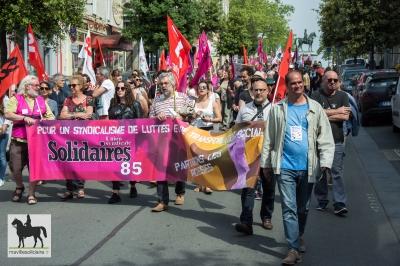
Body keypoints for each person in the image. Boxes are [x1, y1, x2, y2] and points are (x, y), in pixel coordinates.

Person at [261, 70, 334, 264]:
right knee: (288, 208)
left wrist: (326, 161)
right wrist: (266, 163)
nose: (297, 86)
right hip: (284, 166)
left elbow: (325, 138)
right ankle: (293, 249)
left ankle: (298, 234)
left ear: (304, 83)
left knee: (303, 208)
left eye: (300, 82)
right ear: (287, 86)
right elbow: (268, 139)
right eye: (293, 83)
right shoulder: (278, 109)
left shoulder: (315, 108)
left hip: (308, 167)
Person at [234, 73, 275, 236]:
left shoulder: (275, 109)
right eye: (255, 90)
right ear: (252, 91)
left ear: (268, 90)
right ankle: (246, 221)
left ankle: (266, 217)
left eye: (262, 90)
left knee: (269, 189)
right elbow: (236, 130)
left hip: (268, 157)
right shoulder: (245, 109)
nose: (258, 93)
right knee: (248, 189)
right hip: (249, 156)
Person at [5, 75, 55, 205]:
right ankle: (20, 186)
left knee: (34, 168)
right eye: (36, 85)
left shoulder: (40, 101)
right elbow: (8, 114)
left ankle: (31, 194)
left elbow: (51, 117)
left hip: (37, 141)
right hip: (19, 139)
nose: (39, 88)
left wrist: (45, 120)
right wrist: (23, 118)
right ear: (27, 86)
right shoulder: (16, 99)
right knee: (15, 168)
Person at [149, 72, 193, 212]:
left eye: (166, 83)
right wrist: (157, 116)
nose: (163, 86)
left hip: (178, 139)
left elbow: (193, 114)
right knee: (160, 169)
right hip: (161, 140)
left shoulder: (182, 97)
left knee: (179, 166)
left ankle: (180, 193)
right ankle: (163, 201)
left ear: (172, 84)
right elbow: (149, 119)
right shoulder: (157, 100)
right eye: (161, 84)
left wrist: (182, 116)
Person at [311, 71, 350, 214]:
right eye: (330, 80)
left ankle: (339, 204)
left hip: (337, 140)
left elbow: (345, 117)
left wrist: (324, 114)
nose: (332, 82)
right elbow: (314, 113)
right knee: (320, 172)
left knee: (336, 173)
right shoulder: (316, 95)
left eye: (335, 80)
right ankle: (322, 200)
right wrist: (337, 111)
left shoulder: (343, 96)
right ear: (323, 80)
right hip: (319, 140)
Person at [108, 81, 143, 204]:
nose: (120, 90)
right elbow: (109, 120)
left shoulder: (135, 104)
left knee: (129, 164)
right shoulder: (113, 103)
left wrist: (138, 141)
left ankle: (133, 186)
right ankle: (115, 192)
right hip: (115, 139)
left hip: (130, 139)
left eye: (122, 88)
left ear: (127, 90)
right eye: (118, 88)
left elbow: (139, 124)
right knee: (114, 165)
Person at [59, 75, 94, 200]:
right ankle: (69, 188)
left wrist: (70, 114)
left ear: (81, 86)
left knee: (80, 161)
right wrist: (77, 114)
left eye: (74, 85)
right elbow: (62, 116)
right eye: (70, 85)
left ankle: (80, 187)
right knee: (68, 162)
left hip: (83, 135)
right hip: (68, 136)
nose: (71, 88)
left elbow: (88, 115)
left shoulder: (88, 99)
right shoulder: (68, 100)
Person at [190, 80, 222, 193]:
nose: (202, 89)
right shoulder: (192, 102)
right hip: (195, 131)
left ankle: (207, 184)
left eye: (204, 87)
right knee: (198, 159)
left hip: (208, 131)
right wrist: (194, 115)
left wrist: (210, 120)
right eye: (200, 87)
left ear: (208, 90)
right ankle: (200, 184)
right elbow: (187, 117)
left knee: (208, 158)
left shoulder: (212, 103)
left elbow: (220, 118)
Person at [0, 93, 10, 187]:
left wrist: (4, 126)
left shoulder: (5, 99)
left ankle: (1, 177)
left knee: (1, 156)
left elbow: (7, 115)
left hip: (2, 132)